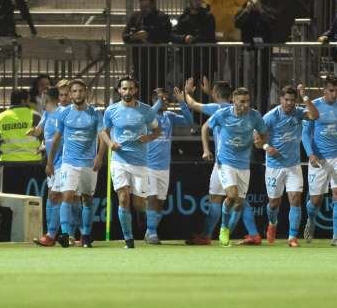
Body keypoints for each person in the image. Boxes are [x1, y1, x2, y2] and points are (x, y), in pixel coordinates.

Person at [200, 87, 268, 247]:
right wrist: (206, 149)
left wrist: (261, 142)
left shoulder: (255, 116)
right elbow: (205, 128)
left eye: (248, 101)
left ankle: (227, 230)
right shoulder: (223, 114)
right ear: (233, 101)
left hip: (244, 165)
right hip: (225, 162)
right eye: (242, 102)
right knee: (231, 196)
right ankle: (223, 229)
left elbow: (264, 133)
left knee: (238, 202)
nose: (246, 105)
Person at [100, 77, 162, 249]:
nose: (127, 92)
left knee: (139, 204)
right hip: (119, 161)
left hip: (140, 163)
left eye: (130, 89)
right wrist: (111, 144)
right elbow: (104, 132)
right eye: (124, 89)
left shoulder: (146, 111)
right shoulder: (111, 111)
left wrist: (148, 137)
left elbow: (157, 130)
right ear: (119, 90)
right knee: (123, 198)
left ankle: (142, 218)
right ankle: (128, 240)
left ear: (135, 90)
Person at [257, 84, 319, 246]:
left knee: (295, 199)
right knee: (273, 204)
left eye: (292, 100)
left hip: (293, 166)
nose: (289, 103)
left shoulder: (298, 113)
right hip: (274, 166)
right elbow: (256, 138)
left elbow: (315, 115)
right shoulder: (270, 117)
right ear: (280, 100)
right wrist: (266, 147)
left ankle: (292, 237)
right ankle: (272, 223)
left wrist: (305, 96)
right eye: (286, 100)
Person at [47, 79, 104, 248]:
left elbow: (103, 138)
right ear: (71, 94)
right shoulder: (64, 114)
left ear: (86, 92)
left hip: (88, 163)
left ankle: (85, 235)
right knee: (67, 195)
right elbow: (56, 140)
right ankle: (66, 235)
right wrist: (49, 162)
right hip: (69, 162)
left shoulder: (95, 114)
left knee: (87, 199)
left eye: (80, 91)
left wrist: (99, 156)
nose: (78, 94)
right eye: (75, 91)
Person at [301, 75, 337, 246]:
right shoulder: (314, 106)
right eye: (331, 90)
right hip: (319, 158)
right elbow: (305, 134)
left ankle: (336, 238)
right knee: (316, 200)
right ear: (324, 90)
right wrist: (310, 154)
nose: (335, 94)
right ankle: (311, 219)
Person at [144, 87, 193, 244]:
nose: (165, 102)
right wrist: (160, 101)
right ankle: (152, 233)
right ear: (154, 100)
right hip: (149, 166)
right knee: (151, 198)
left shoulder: (169, 116)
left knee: (160, 202)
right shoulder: (146, 115)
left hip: (164, 167)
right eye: (161, 99)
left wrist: (182, 103)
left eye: (166, 100)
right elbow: (150, 114)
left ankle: (149, 231)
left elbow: (189, 121)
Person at [31, 84, 71, 247]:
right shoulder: (47, 113)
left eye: (43, 97)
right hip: (51, 161)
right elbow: (40, 131)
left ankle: (52, 235)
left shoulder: (64, 113)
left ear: (48, 98)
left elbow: (63, 137)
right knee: (51, 197)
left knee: (57, 196)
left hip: (62, 161)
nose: (41, 99)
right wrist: (35, 135)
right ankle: (52, 233)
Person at [122, 0, 173, 100]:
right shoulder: (135, 17)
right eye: (142, 7)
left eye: (147, 7)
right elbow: (125, 36)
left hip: (158, 64)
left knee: (157, 96)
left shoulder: (162, 17)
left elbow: (166, 35)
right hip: (140, 64)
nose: (144, 9)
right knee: (141, 96)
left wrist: (149, 35)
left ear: (153, 5)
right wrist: (135, 36)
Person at [0, 89, 41, 162]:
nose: (29, 103)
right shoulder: (35, 116)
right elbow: (43, 138)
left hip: (8, 161)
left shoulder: (0, 117)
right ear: (23, 101)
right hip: (32, 160)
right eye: (28, 101)